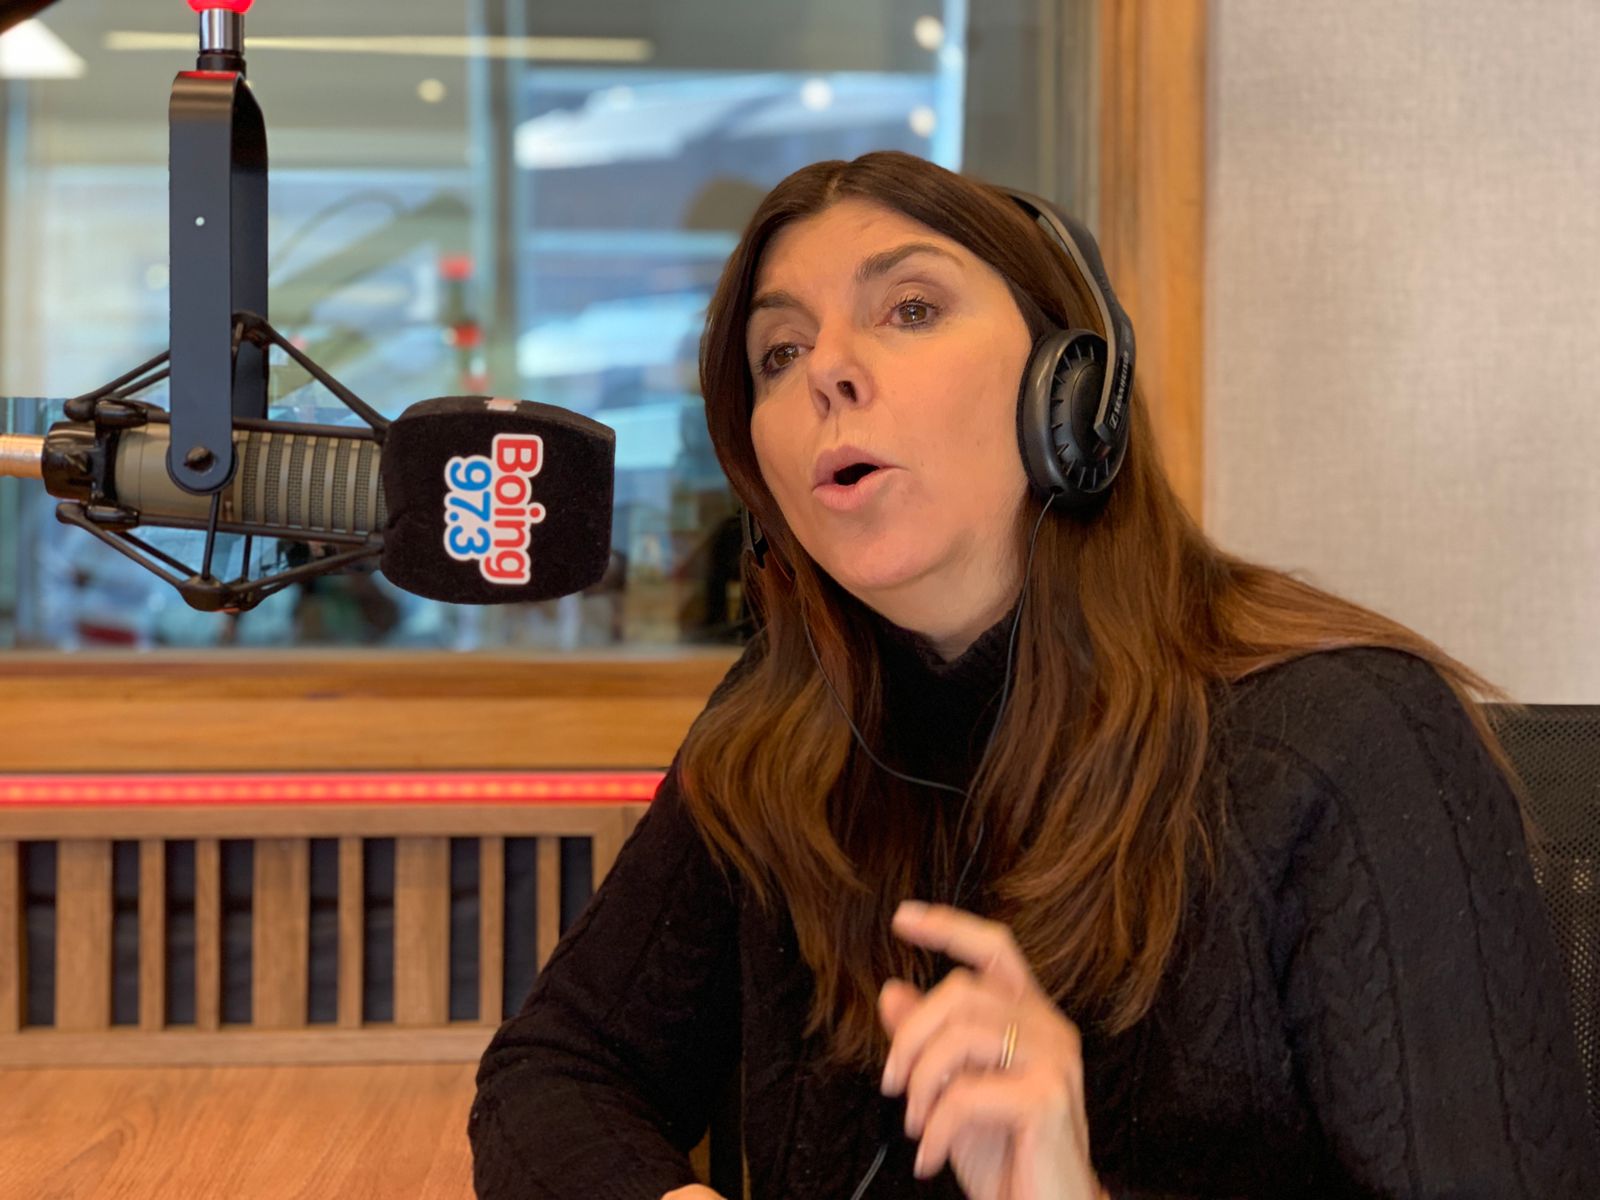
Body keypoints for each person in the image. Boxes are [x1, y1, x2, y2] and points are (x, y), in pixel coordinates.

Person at [468, 150, 1598, 1199]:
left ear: (1072, 393)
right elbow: (556, 1072)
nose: (829, 373)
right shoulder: (780, 729)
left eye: (910, 308)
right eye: (780, 353)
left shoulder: (1352, 742)